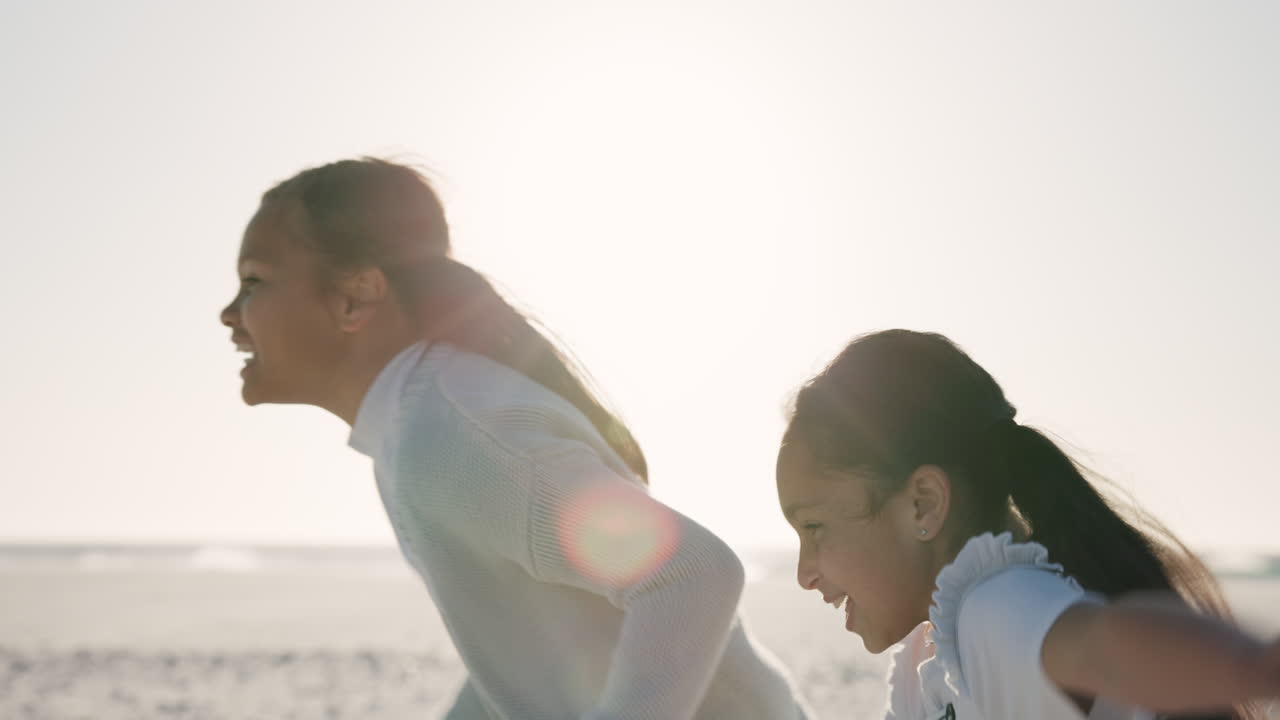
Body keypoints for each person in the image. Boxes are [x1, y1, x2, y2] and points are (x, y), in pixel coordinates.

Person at [219, 157, 810, 720]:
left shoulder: (448, 430)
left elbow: (691, 574)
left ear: (355, 297)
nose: (229, 314)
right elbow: (525, 650)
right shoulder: (417, 427)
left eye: (253, 282)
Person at [775, 329, 1279, 720]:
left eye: (814, 527)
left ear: (923, 504)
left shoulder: (997, 609)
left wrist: (1258, 665)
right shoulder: (921, 664)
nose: (804, 573)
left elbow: (1104, 649)